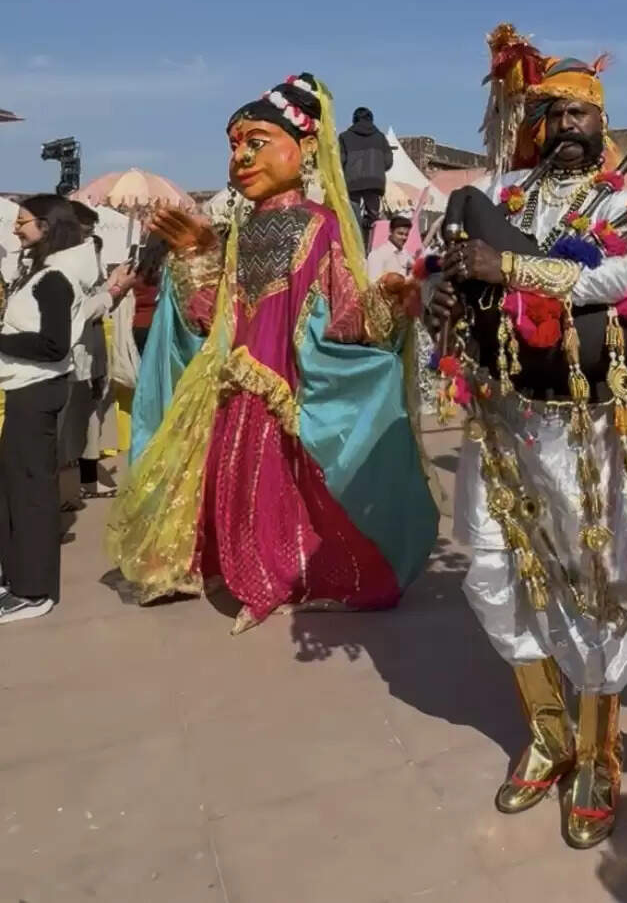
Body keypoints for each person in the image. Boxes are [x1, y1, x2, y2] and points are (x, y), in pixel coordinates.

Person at [108, 73, 438, 634]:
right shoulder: (240, 228)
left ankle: (283, 578)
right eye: (235, 145)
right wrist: (197, 258)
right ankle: (245, 574)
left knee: (285, 489)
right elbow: (212, 315)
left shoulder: (321, 225)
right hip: (234, 383)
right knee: (235, 486)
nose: (241, 157)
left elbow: (341, 315)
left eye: (256, 142)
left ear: (305, 148)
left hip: (286, 385)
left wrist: (384, 305)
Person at [429, 52, 627, 849]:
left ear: (602, 122)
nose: (563, 128)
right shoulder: (497, 196)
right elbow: (442, 269)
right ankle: (548, 732)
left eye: (578, 113)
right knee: (489, 569)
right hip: (495, 415)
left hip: (583, 424)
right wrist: (440, 291)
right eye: (550, 114)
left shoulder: (621, 199)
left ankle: (598, 752)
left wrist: (510, 265)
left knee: (593, 579)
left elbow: (624, 274)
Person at [0, 195, 102, 622]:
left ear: (47, 226)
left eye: (22, 222)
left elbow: (53, 345)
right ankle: (14, 577)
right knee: (12, 492)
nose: (15, 229)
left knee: (32, 496)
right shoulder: (40, 273)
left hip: (38, 391)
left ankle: (35, 590)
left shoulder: (56, 279)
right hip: (24, 390)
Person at [58, 204, 135, 505]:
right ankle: (62, 495)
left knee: (87, 421)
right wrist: (114, 291)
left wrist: (114, 285)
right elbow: (82, 311)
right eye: (85, 231)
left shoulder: (84, 262)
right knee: (67, 427)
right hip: (70, 358)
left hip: (89, 356)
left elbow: (95, 302)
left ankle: (78, 486)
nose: (90, 239)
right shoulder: (61, 267)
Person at [339, 106, 393, 250]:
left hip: (352, 182)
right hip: (375, 182)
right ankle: (373, 247)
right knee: (374, 218)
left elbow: (340, 161)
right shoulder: (380, 137)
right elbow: (388, 162)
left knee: (353, 218)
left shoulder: (344, 137)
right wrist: (377, 169)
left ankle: (356, 248)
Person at [365, 208, 413, 281]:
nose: (404, 237)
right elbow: (373, 285)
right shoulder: (378, 254)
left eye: (406, 235)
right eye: (400, 234)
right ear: (391, 231)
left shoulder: (405, 254)